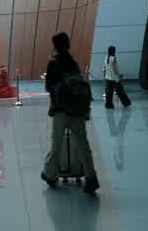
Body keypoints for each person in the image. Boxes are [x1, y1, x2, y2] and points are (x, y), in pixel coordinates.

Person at [40, 32, 99, 195]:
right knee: (82, 143)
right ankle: (91, 178)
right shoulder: (74, 63)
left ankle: (51, 174)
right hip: (77, 110)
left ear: (55, 46)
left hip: (60, 110)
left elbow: (48, 87)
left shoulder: (53, 63)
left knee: (56, 144)